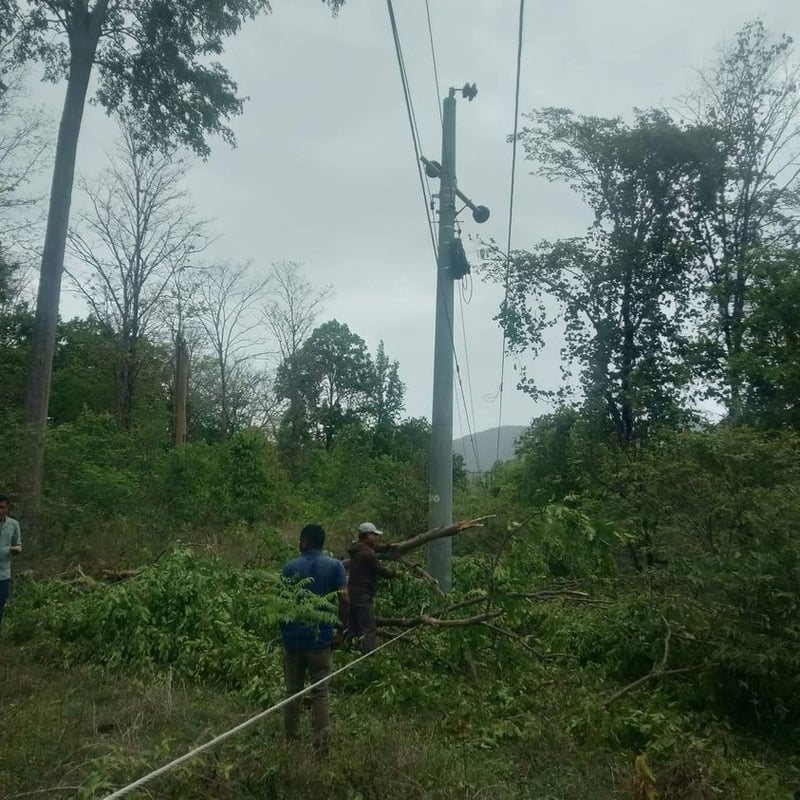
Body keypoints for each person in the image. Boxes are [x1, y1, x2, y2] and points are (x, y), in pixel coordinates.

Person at [280, 523, 348, 754]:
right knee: (320, 693)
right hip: (321, 641)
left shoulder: (289, 567)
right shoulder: (335, 566)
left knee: (293, 691)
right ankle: (321, 745)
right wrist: (340, 631)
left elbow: (282, 604)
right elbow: (345, 600)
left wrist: (285, 631)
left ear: (305, 541)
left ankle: (291, 742)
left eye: (300, 540)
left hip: (293, 642)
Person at [346, 522, 401, 653]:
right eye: (374, 535)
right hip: (363, 596)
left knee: (353, 627)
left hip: (352, 594)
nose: (376, 538)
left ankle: (348, 652)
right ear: (367, 536)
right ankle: (368, 656)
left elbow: (375, 547)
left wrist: (388, 547)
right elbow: (382, 571)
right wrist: (395, 574)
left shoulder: (358, 548)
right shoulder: (368, 554)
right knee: (369, 628)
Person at [0, 493, 22, 631]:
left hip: (3, 573)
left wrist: (16, 549)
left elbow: (18, 545)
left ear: (7, 508)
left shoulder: (13, 525)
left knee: (0, 605)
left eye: (2, 507)